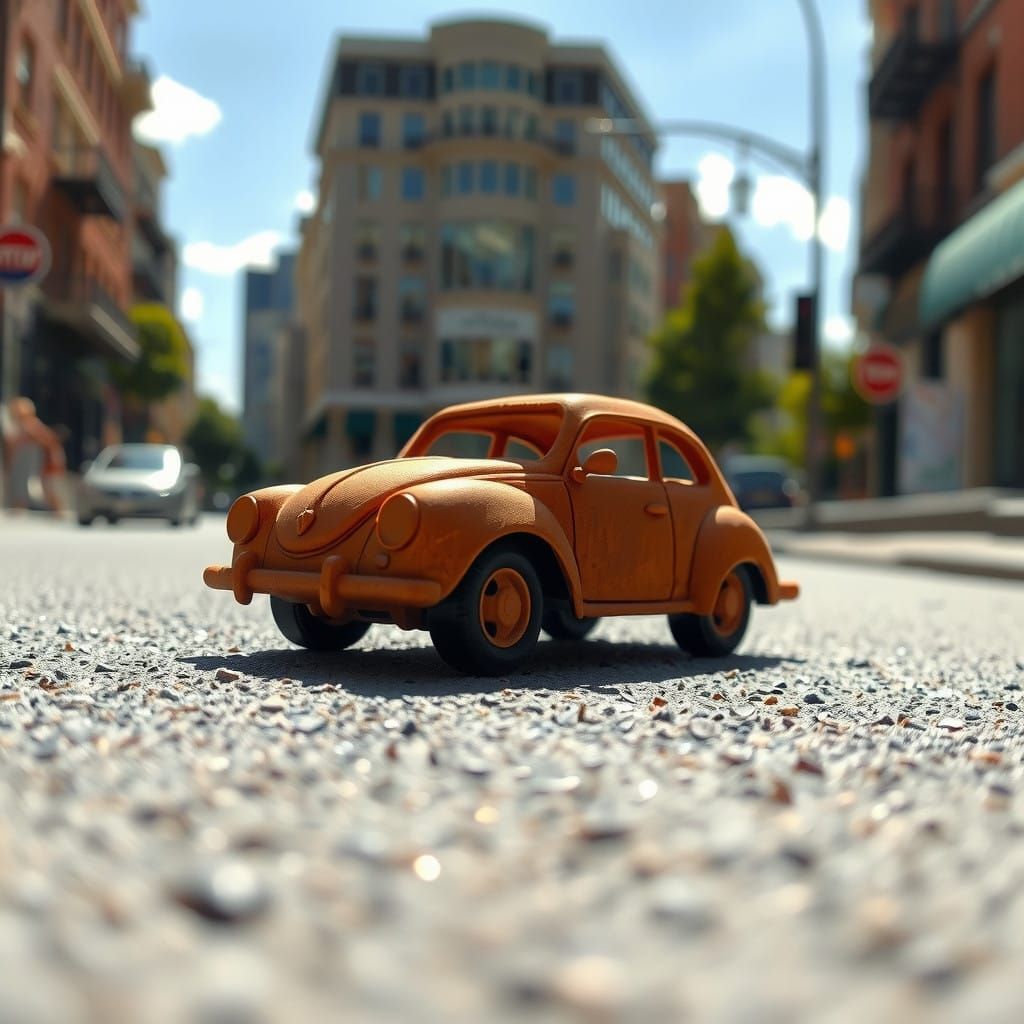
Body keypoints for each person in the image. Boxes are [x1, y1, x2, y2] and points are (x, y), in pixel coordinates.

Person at [3, 397, 67, 514]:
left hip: (50, 461)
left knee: (50, 488)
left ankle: (59, 512)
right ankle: (58, 512)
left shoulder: (31, 424)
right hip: (46, 461)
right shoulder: (28, 425)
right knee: (46, 487)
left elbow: (47, 441)